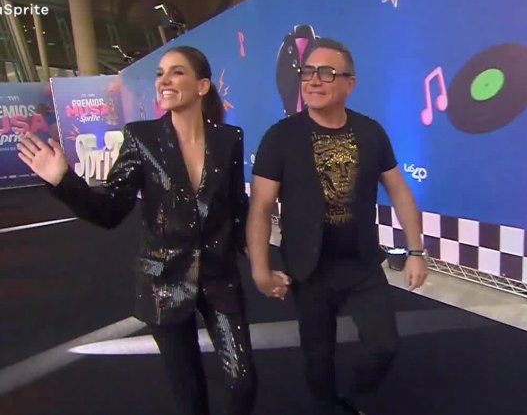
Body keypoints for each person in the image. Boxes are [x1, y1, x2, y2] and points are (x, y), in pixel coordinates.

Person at [17, 46, 259, 415]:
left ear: (202, 85)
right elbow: (111, 212)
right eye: (160, 73)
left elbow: (236, 208)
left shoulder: (229, 139)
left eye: (177, 72)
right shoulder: (141, 138)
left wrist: (260, 260)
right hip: (163, 282)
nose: (164, 81)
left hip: (220, 278)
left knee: (243, 381)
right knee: (189, 393)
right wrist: (64, 181)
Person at [246, 38, 428, 415]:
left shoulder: (370, 132)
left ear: (350, 83)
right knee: (318, 355)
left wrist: (416, 251)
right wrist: (260, 269)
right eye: (308, 71)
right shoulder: (280, 137)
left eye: (327, 72)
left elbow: (399, 191)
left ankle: (355, 398)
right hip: (308, 267)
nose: (314, 80)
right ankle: (327, 406)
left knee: (383, 345)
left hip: (360, 262)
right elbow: (261, 207)